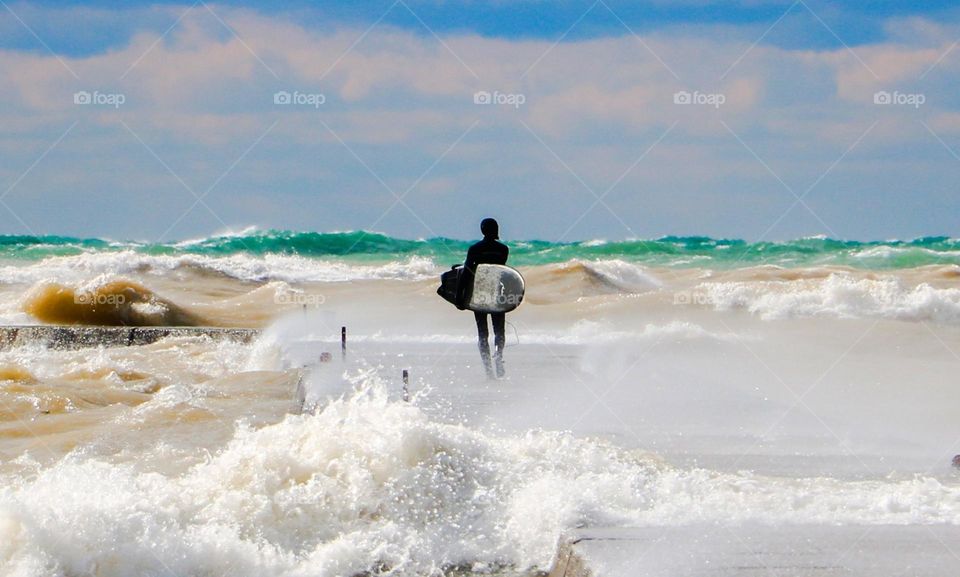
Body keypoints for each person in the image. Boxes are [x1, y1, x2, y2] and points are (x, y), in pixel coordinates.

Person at [456, 218, 509, 378]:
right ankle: (499, 356)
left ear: (482, 230)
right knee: (499, 331)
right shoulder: (503, 249)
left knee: (483, 333)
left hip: (480, 293)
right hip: (497, 293)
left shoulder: (475, 249)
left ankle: (488, 370)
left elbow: (467, 273)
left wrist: (459, 296)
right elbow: (502, 272)